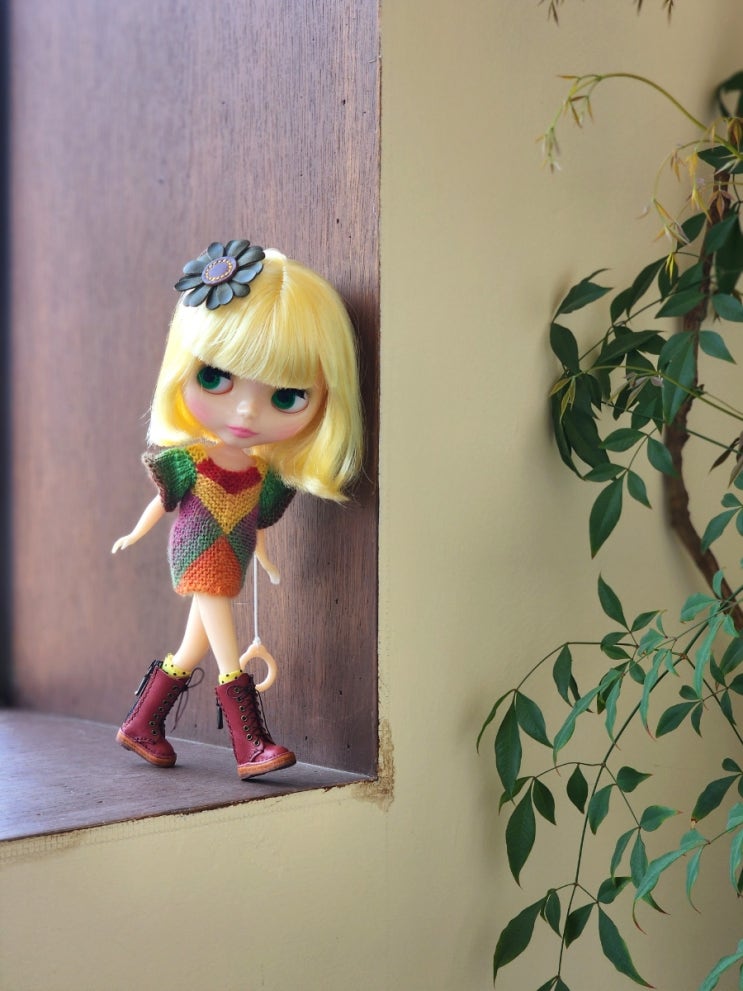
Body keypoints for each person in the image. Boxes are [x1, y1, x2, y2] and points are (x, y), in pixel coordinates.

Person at [112, 239, 362, 778]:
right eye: (215, 377)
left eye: (287, 396)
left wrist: (265, 559)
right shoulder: (191, 461)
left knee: (191, 647)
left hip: (234, 555)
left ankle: (142, 724)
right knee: (225, 646)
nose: (246, 412)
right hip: (198, 553)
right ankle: (250, 744)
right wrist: (135, 533)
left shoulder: (261, 473)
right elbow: (162, 503)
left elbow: (251, 519)